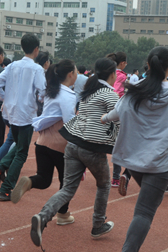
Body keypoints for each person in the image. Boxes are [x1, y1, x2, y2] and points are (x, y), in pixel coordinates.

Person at [30, 58, 118, 248]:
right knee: (104, 185)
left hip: (73, 144)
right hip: (92, 147)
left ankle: (42, 216)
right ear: (112, 74)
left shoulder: (88, 90)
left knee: (67, 188)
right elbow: (119, 119)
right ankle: (98, 224)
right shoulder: (110, 94)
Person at [109, 46, 168, 252]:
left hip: (134, 160)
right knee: (144, 212)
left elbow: (119, 111)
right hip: (160, 163)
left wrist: (104, 118)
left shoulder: (136, 88)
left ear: (149, 64)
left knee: (145, 207)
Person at [12, 60, 77, 230]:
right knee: (66, 184)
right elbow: (69, 122)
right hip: (60, 145)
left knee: (44, 179)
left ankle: (29, 181)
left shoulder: (51, 92)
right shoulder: (69, 95)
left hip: (42, 143)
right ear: (70, 74)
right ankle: (63, 214)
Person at [0, 34, 46, 202]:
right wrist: (39, 101)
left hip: (11, 112)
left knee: (18, 144)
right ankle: (6, 188)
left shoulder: (12, 65)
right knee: (22, 152)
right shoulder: (37, 69)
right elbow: (42, 92)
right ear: (36, 50)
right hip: (27, 113)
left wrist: (5, 98)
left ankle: (1, 167)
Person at [106, 52, 127, 188]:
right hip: (117, 111)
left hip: (104, 109)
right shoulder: (122, 76)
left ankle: (82, 168)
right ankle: (115, 178)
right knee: (119, 145)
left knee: (98, 140)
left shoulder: (106, 74)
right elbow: (119, 93)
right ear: (122, 63)